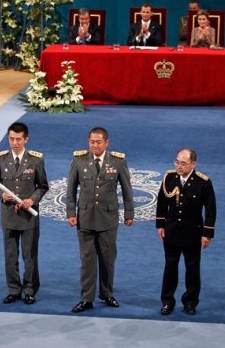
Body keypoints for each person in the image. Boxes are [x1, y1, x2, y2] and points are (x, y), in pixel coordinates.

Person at [66, 127, 134, 313]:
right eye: (91, 142)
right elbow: (70, 190)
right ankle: (86, 298)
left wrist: (129, 213)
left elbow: (127, 190)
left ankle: (107, 293)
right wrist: (71, 213)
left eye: (98, 142)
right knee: (87, 261)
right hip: (85, 218)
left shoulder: (118, 162)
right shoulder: (79, 161)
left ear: (107, 143)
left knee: (108, 259)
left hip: (108, 219)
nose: (95, 146)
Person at [0, 122, 48, 305]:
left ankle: (30, 290)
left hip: (28, 216)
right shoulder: (1, 159)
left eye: (18, 139)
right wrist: (2, 195)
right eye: (11, 139)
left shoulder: (35, 160)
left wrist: (32, 199)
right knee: (10, 255)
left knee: (29, 255)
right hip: (9, 215)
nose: (14, 143)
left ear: (26, 139)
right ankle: (14, 290)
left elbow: (43, 186)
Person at [156, 148, 216, 316]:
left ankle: (190, 302)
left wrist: (207, 233)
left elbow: (210, 209)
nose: (179, 167)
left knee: (192, 269)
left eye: (183, 163)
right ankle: (167, 301)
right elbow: (162, 202)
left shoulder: (202, 182)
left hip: (192, 233)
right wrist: (160, 225)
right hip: (172, 232)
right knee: (170, 267)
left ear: (193, 164)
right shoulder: (169, 178)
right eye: (177, 162)